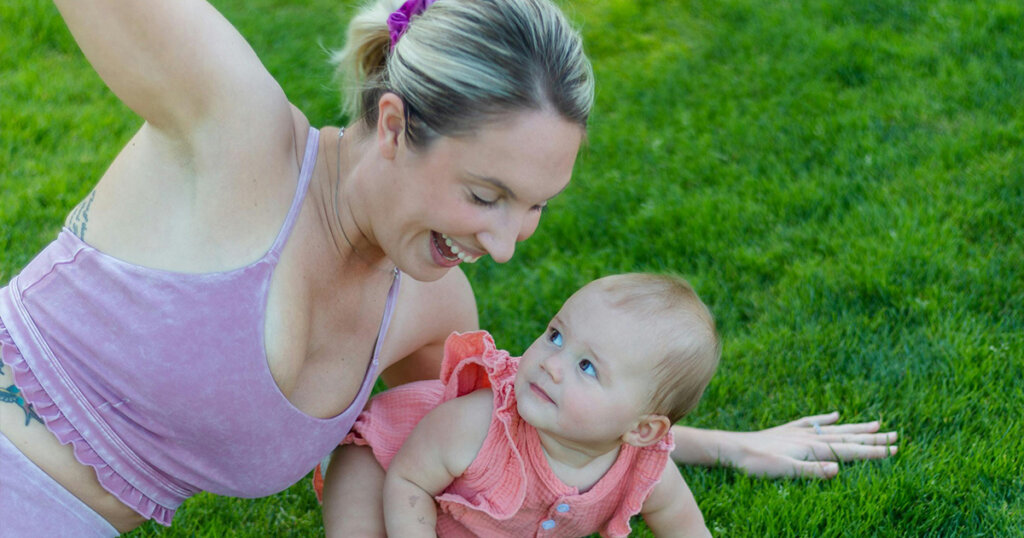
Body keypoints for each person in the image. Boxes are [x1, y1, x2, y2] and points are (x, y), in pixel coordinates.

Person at [0, 0, 896, 535]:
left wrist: (723, 446)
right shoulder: (236, 136)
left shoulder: (427, 299)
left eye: (536, 206)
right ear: (393, 125)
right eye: (487, 194)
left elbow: (524, 419)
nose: (508, 243)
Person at [318, 273, 719, 537]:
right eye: (556, 336)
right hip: (381, 461)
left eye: (586, 366)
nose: (551, 364)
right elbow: (408, 482)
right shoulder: (478, 423)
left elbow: (681, 522)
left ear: (642, 430)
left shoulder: (643, 469)